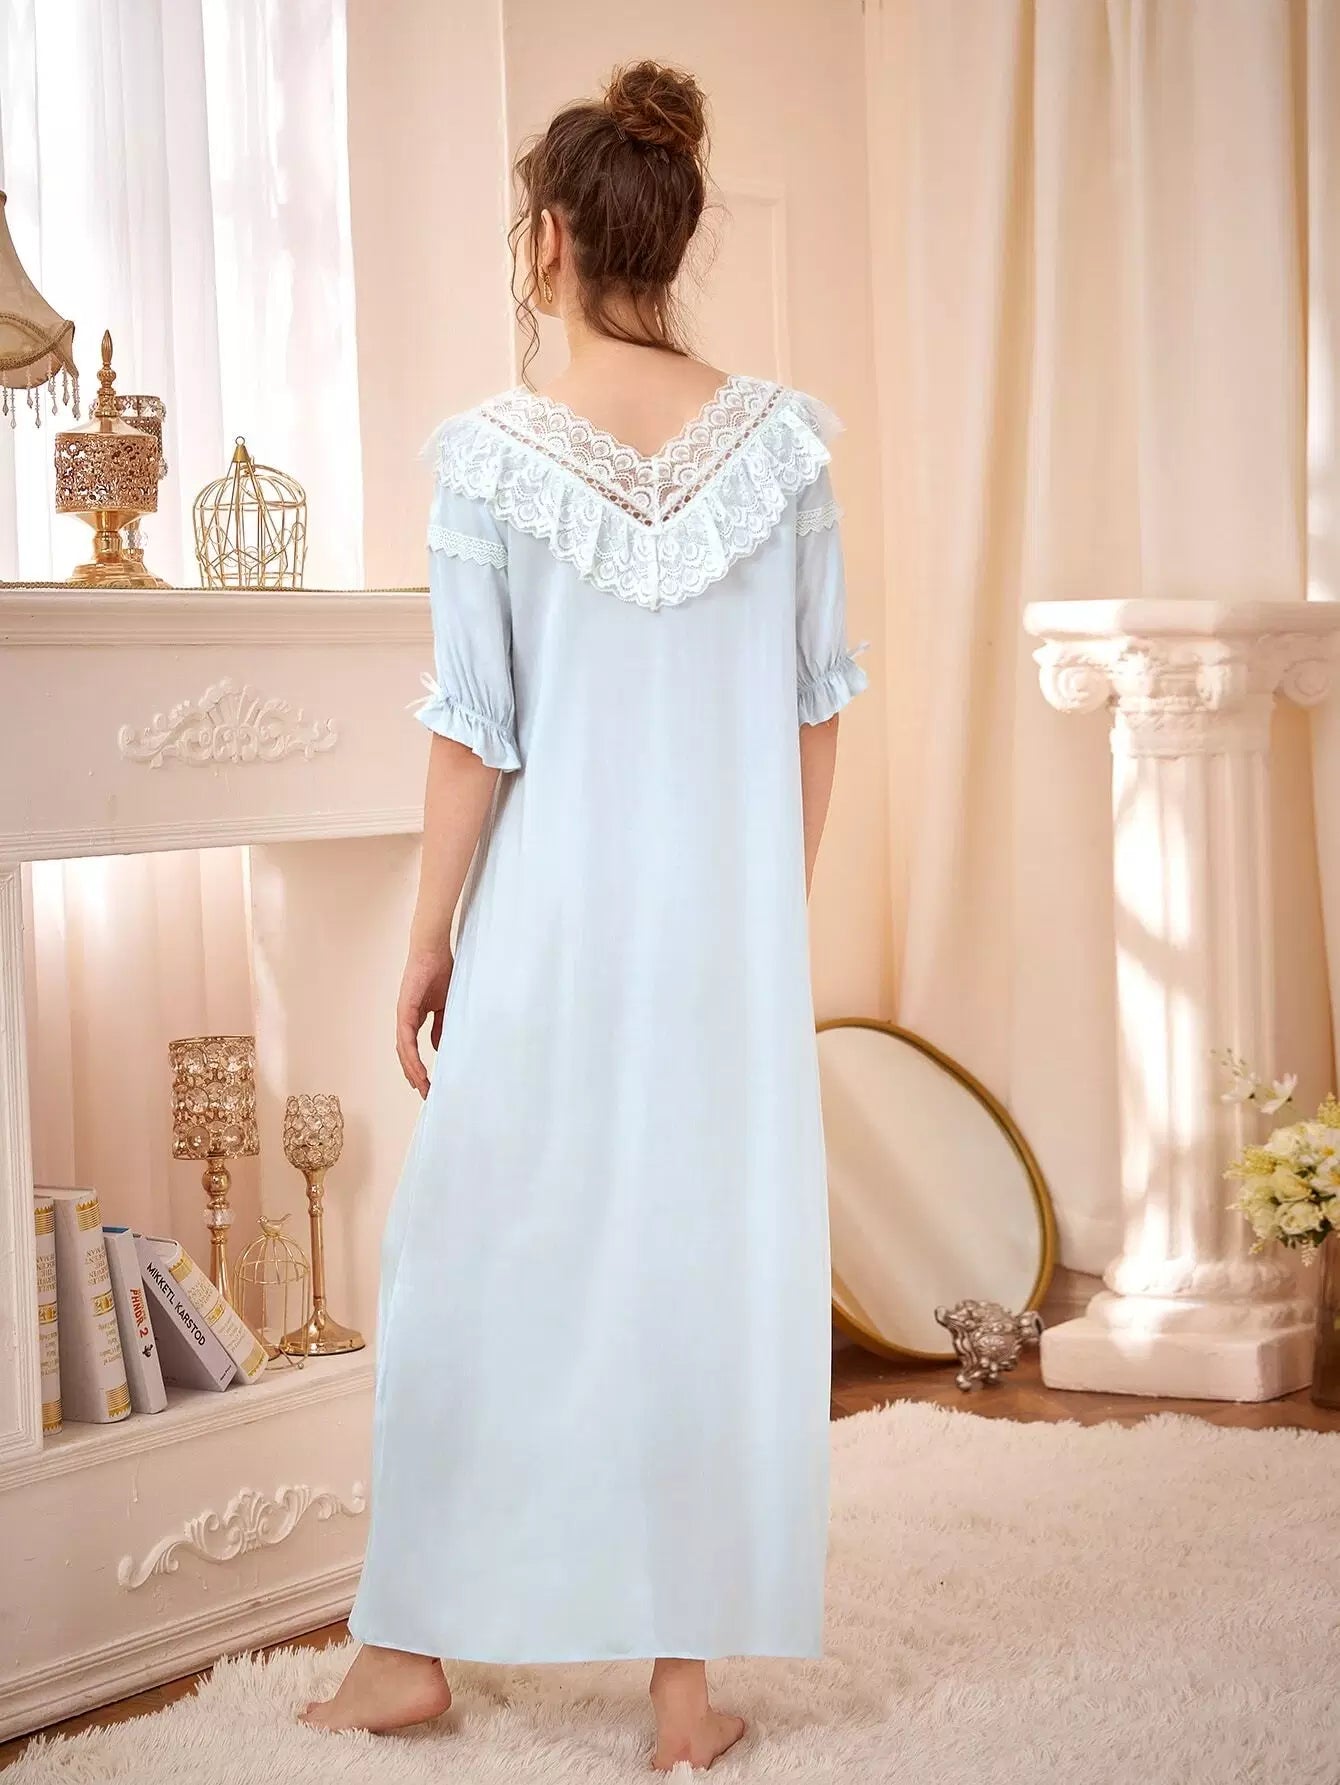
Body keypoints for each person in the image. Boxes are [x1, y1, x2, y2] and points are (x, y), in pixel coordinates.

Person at [299, 58, 867, 1773]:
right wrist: (761, 916)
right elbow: (816, 710)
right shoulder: (786, 448)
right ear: (668, 238)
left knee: (469, 1259)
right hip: (723, 945)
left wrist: (428, 936)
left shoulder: (491, 458)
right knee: (696, 1270)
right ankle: (684, 1695)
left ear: (548, 239)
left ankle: (405, 1649)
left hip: (547, 936)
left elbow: (475, 732)